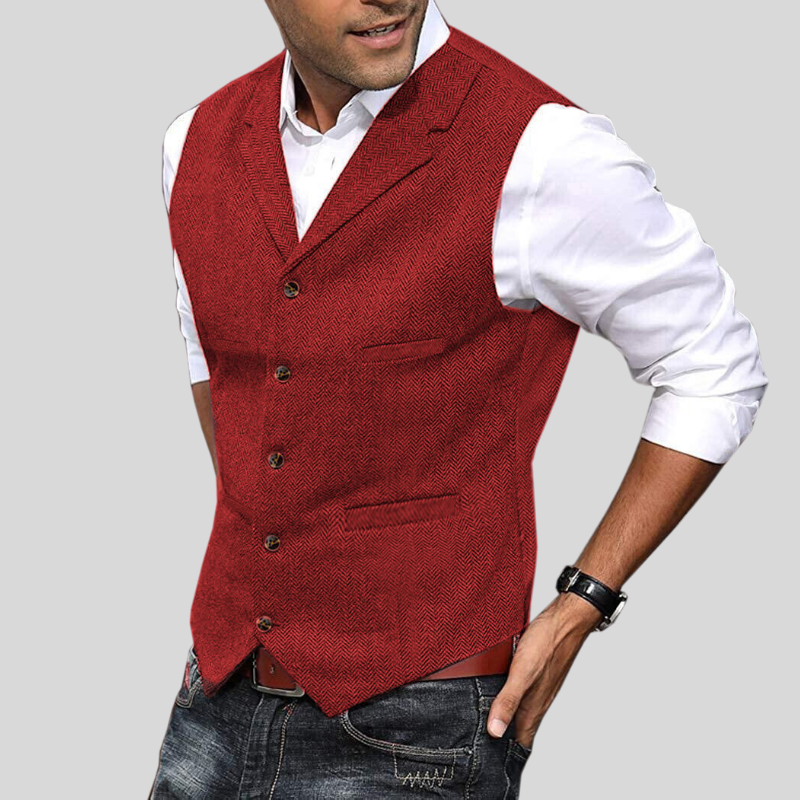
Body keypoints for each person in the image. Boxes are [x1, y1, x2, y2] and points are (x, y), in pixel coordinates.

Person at [150, 0, 768, 796]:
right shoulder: (194, 142)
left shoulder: (541, 149)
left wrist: (584, 601)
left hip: (414, 727)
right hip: (215, 699)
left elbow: (714, 360)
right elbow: (219, 357)